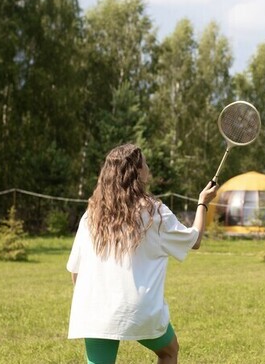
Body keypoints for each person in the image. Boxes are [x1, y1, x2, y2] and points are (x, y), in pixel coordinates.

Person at [66, 143, 218, 364]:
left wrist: (94, 303)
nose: (148, 168)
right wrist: (203, 202)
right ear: (136, 172)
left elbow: (75, 273)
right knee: (169, 351)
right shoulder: (154, 212)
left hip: (94, 308)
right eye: (145, 164)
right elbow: (194, 240)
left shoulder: (90, 215)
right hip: (138, 309)